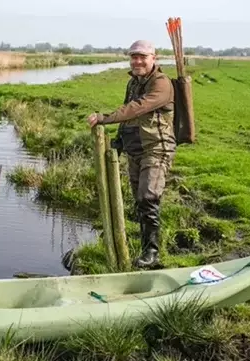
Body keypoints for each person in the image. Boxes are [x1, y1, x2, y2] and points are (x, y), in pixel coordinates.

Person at [86, 39, 176, 269]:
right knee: (140, 201)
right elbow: (130, 116)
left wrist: (105, 117)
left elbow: (137, 108)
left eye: (142, 57)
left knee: (148, 197)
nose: (137, 61)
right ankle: (147, 248)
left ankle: (153, 253)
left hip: (157, 148)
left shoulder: (161, 83)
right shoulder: (133, 82)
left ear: (153, 58)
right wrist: (118, 141)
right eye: (133, 57)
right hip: (136, 149)